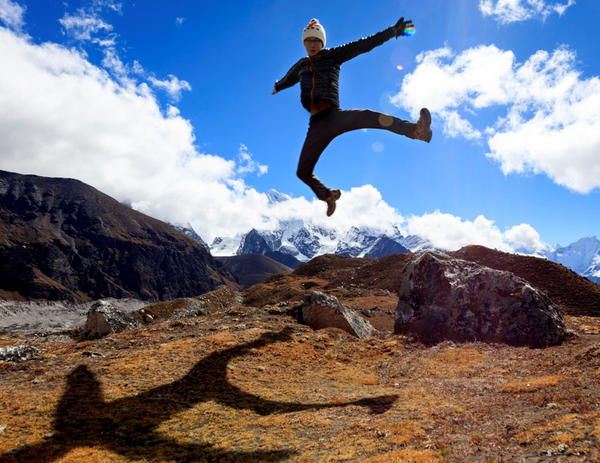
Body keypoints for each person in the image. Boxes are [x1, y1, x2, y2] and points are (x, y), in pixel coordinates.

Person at [272, 18, 432, 217]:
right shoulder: (301, 65)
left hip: (334, 116)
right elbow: (289, 77)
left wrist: (392, 31)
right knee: (302, 172)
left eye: (316, 41)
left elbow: (363, 45)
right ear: (304, 43)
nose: (312, 45)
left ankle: (416, 131)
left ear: (322, 43)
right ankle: (328, 196)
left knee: (369, 116)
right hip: (317, 125)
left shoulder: (333, 56)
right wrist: (279, 86)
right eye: (308, 41)